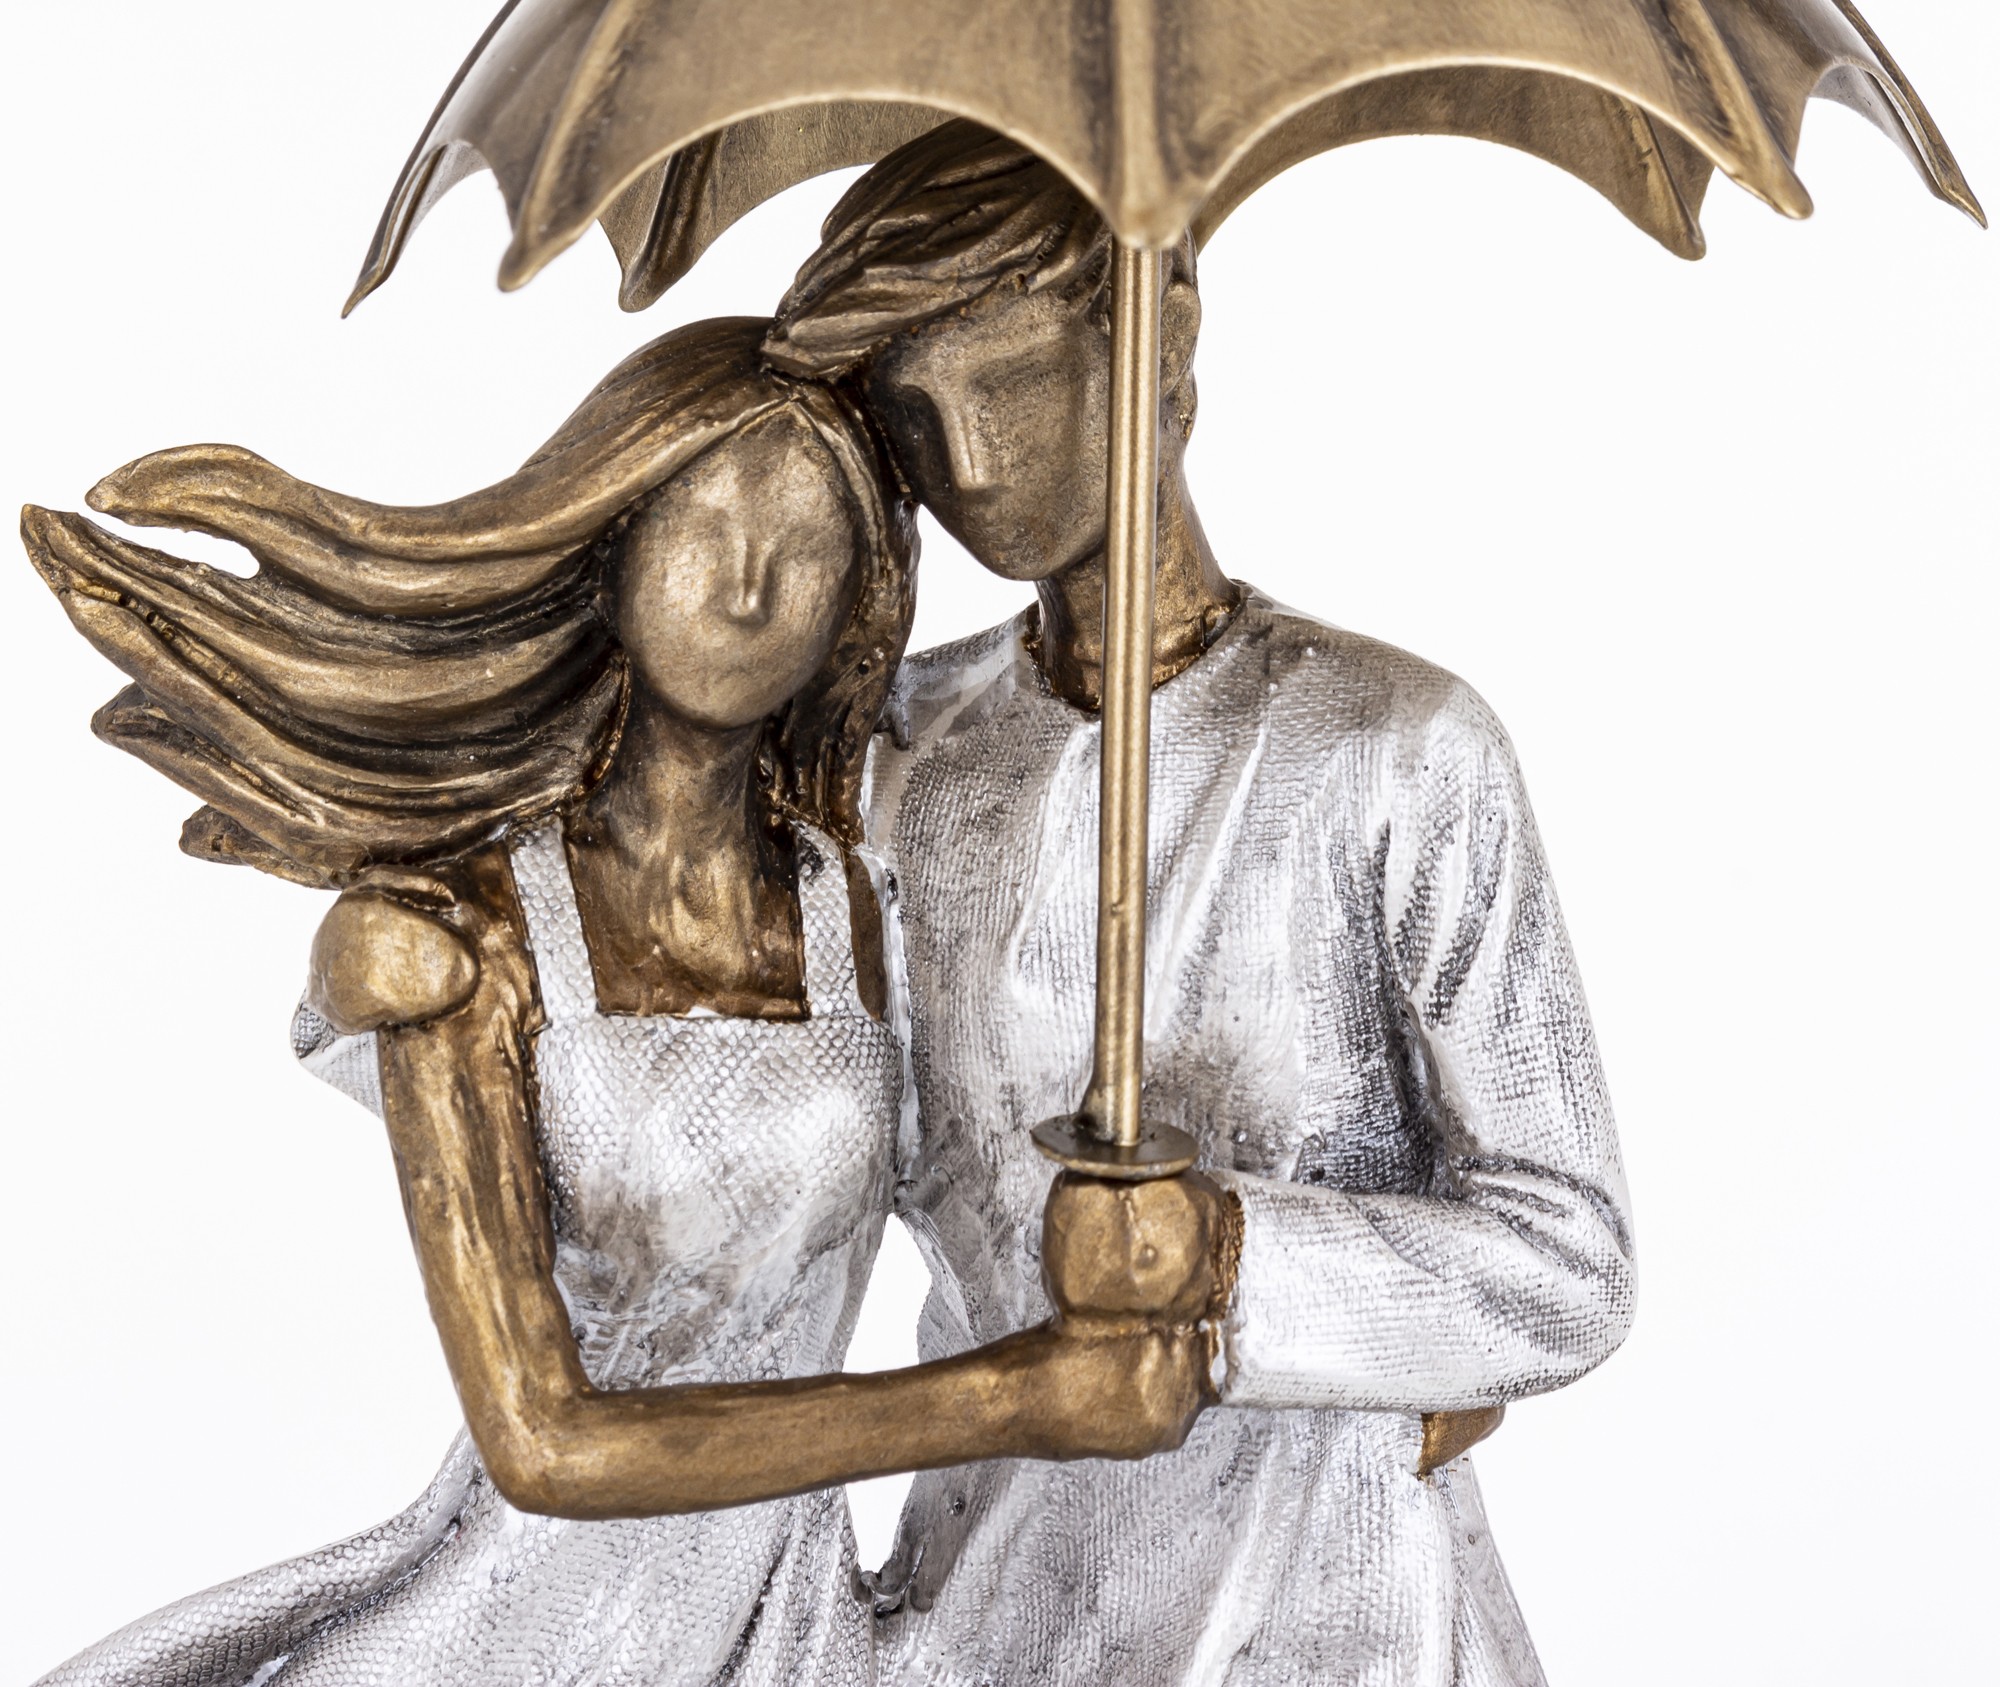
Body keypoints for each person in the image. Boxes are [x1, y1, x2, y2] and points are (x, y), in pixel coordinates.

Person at [21, 315, 1217, 1687]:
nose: (748, 586)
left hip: (794, 1635)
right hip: (530, 1630)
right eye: (704, 527)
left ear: (858, 600)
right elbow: (543, 1442)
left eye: (807, 546)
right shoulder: (479, 938)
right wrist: (1017, 1400)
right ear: (617, 549)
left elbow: (1001, 1184)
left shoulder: (872, 906)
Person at [762, 121, 1637, 1687]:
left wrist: (1228, 1252)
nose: (969, 463)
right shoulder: (888, 758)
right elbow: (801, 1157)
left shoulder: (1395, 747)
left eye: (1009, 380)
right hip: (994, 1601)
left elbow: (1566, 1263)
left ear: (1162, 340)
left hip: (1329, 1608)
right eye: (914, 416)